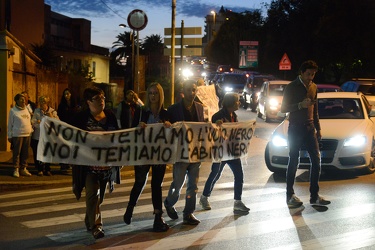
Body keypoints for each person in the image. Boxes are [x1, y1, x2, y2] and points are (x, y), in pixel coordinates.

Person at [70, 86, 121, 239]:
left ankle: (89, 218)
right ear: (88, 102)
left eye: (103, 98)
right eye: (97, 98)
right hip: (88, 167)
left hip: (106, 167)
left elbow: (118, 136)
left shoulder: (110, 116)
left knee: (100, 198)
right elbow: (72, 137)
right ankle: (97, 226)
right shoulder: (81, 118)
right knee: (92, 193)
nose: (102, 101)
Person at [280, 60, 331, 208]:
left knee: (316, 161)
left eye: (313, 74)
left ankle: (314, 196)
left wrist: (318, 128)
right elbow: (283, 108)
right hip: (295, 128)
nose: (311, 77)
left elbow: (315, 110)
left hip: (309, 128)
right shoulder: (291, 87)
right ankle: (290, 195)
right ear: (301, 73)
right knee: (293, 160)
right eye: (308, 74)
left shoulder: (314, 87)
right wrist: (299, 105)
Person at [123, 82, 170, 232]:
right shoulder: (141, 112)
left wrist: (169, 126)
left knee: (157, 185)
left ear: (160, 95)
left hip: (159, 155)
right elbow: (132, 131)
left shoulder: (166, 113)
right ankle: (130, 207)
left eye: (156, 93)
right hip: (143, 153)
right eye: (150, 93)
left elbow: (173, 135)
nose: (153, 96)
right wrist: (139, 126)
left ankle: (158, 216)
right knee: (139, 182)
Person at [199, 93, 250, 213]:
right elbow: (212, 132)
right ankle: (204, 197)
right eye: (237, 101)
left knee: (239, 175)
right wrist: (217, 125)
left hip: (232, 151)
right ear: (231, 103)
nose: (239, 103)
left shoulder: (234, 115)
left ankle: (238, 201)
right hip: (221, 151)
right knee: (215, 174)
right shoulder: (218, 116)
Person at [164, 79, 205, 225]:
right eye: (189, 90)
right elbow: (166, 129)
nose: (191, 93)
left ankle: (188, 213)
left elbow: (203, 127)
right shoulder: (174, 109)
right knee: (177, 184)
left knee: (193, 186)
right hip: (181, 154)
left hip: (195, 153)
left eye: (194, 90)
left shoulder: (200, 108)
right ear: (183, 91)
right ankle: (169, 203)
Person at [31, 96, 59, 176]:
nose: (41, 104)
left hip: (48, 136)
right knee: (38, 152)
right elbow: (33, 121)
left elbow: (57, 123)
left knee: (48, 152)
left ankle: (47, 169)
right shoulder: (37, 111)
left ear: (47, 103)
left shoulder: (52, 111)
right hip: (38, 136)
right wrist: (40, 124)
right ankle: (39, 169)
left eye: (43, 102)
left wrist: (51, 117)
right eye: (40, 102)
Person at [7, 93, 33, 178]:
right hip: (17, 134)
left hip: (27, 134)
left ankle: (23, 168)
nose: (23, 101)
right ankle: (16, 169)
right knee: (17, 152)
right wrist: (9, 135)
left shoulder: (28, 109)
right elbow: (10, 124)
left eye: (24, 99)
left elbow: (30, 120)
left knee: (25, 153)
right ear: (17, 100)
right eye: (21, 99)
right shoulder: (13, 110)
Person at [57, 88, 80, 172]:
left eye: (68, 93)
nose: (67, 95)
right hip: (64, 127)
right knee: (64, 146)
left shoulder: (75, 105)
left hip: (73, 128)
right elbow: (59, 116)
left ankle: (70, 163)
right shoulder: (62, 105)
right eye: (65, 94)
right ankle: (63, 164)